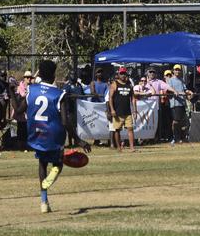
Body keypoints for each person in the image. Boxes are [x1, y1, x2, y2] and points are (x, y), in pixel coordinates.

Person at [15, 60, 91, 213]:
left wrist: (11, 93)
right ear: (54, 74)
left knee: (42, 164)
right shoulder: (59, 93)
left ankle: (44, 202)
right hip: (54, 134)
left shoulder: (31, 89)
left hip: (36, 133)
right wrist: (78, 140)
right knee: (58, 164)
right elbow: (65, 120)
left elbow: (18, 110)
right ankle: (54, 173)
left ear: (40, 74)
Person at [108, 67, 137, 152]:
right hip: (117, 112)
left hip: (128, 111)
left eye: (124, 73)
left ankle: (132, 147)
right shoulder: (114, 84)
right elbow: (110, 98)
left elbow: (133, 98)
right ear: (118, 75)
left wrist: (135, 110)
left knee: (130, 129)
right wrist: (112, 110)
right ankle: (119, 147)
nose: (123, 75)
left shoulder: (129, 84)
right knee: (117, 130)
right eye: (121, 73)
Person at [167, 65, 192, 145]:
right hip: (175, 103)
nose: (177, 71)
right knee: (175, 121)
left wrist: (189, 91)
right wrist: (178, 92)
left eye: (179, 70)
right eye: (176, 70)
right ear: (173, 71)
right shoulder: (170, 80)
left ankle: (181, 137)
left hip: (182, 103)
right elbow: (169, 90)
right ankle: (175, 138)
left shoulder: (181, 80)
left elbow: (185, 89)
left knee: (183, 122)